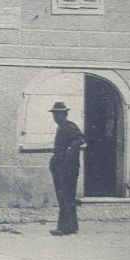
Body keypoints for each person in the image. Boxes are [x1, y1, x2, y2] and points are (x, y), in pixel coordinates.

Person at [49, 101, 86, 236]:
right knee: (64, 196)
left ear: (65, 114)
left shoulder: (70, 127)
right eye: (54, 114)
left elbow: (80, 140)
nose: (56, 117)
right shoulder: (61, 127)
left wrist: (69, 153)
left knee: (66, 196)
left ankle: (65, 228)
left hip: (67, 168)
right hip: (60, 166)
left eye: (58, 114)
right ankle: (71, 226)